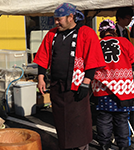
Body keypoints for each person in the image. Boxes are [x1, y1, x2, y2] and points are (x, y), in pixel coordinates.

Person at [33, 2, 106, 150]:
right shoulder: (52, 34)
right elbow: (43, 56)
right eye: (55, 19)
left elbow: (93, 58)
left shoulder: (86, 32)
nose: (56, 22)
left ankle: (81, 147)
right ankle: (65, 146)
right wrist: (41, 77)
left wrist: (86, 82)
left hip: (77, 85)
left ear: (71, 17)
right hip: (56, 86)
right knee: (61, 122)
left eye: (59, 19)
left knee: (79, 122)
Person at [91, 19, 134, 150]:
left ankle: (104, 144)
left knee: (104, 118)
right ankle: (124, 145)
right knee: (122, 119)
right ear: (114, 30)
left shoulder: (96, 45)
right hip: (123, 88)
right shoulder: (124, 42)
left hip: (102, 88)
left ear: (101, 33)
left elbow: (90, 64)